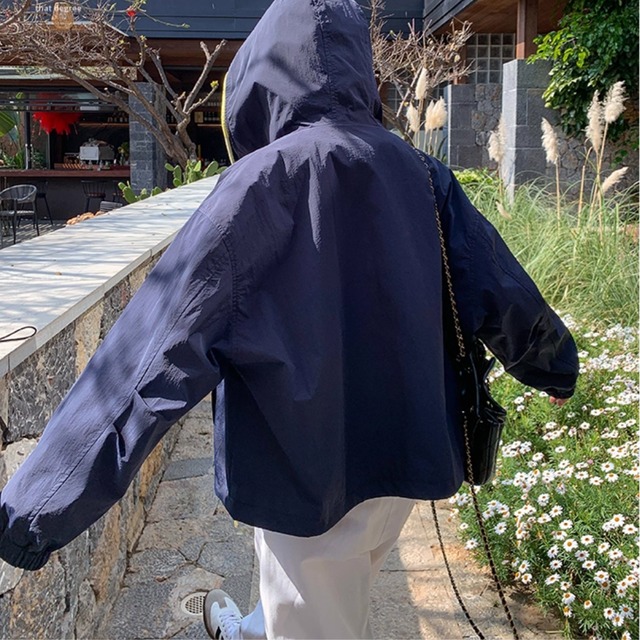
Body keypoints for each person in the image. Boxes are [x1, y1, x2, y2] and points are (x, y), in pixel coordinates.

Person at [0, 0, 578, 638]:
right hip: (406, 449)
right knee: (340, 585)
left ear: (261, 76)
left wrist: (34, 508)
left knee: (316, 613)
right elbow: (497, 285)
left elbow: (148, 355)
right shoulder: (423, 174)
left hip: (306, 467)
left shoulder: (255, 188)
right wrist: (554, 365)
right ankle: (254, 627)